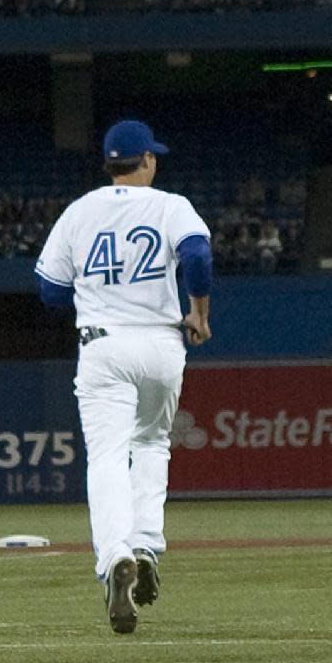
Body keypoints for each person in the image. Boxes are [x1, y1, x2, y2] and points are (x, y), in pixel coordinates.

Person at [34, 120, 215, 635]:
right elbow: (198, 256)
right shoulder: (170, 205)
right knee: (154, 443)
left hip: (103, 343)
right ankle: (145, 545)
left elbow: (49, 289)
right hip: (160, 342)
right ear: (148, 161)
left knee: (109, 455)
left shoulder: (79, 211)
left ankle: (115, 555)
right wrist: (198, 312)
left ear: (109, 165)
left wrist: (97, 298)